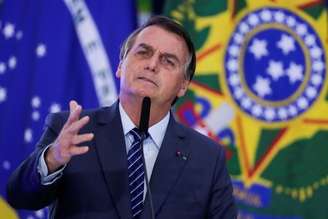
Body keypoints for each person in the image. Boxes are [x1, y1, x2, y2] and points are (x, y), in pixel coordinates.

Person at [6, 16, 237, 219]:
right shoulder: (73, 131)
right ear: (120, 66)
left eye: (168, 61)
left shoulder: (207, 158)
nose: (152, 64)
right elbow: (19, 197)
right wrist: (53, 159)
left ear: (183, 85)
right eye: (143, 52)